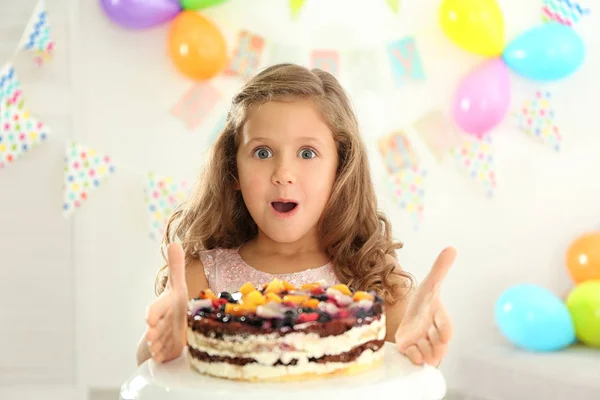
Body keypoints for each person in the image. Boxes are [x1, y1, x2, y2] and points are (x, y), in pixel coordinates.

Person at [136, 63, 456, 368]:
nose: (283, 173)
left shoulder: (373, 273)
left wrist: (415, 347)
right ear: (233, 169)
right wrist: (163, 343)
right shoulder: (201, 276)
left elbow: (406, 364)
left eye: (307, 153)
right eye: (262, 152)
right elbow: (150, 364)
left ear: (340, 167)